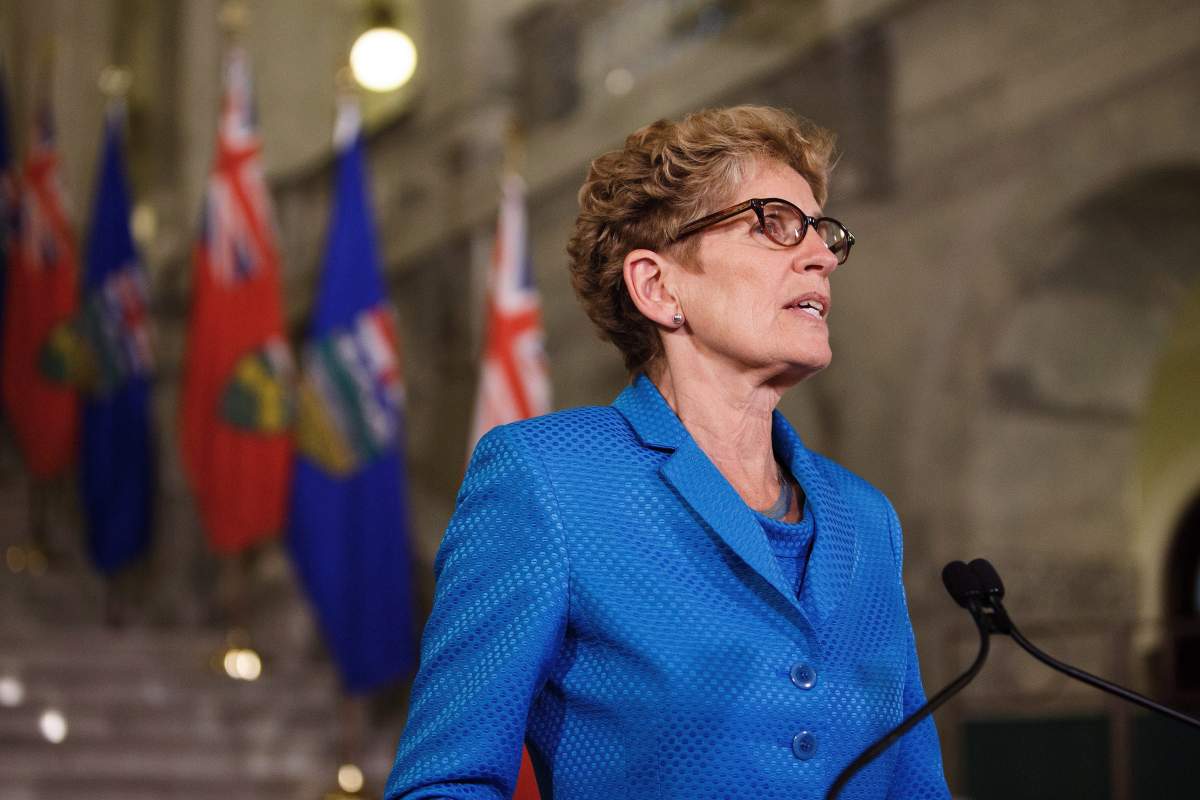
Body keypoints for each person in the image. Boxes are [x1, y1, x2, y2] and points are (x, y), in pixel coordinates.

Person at [384, 105, 949, 799]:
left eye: (823, 232)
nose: (822, 256)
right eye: (773, 224)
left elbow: (916, 786)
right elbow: (445, 784)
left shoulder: (868, 520)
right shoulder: (550, 480)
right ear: (658, 286)